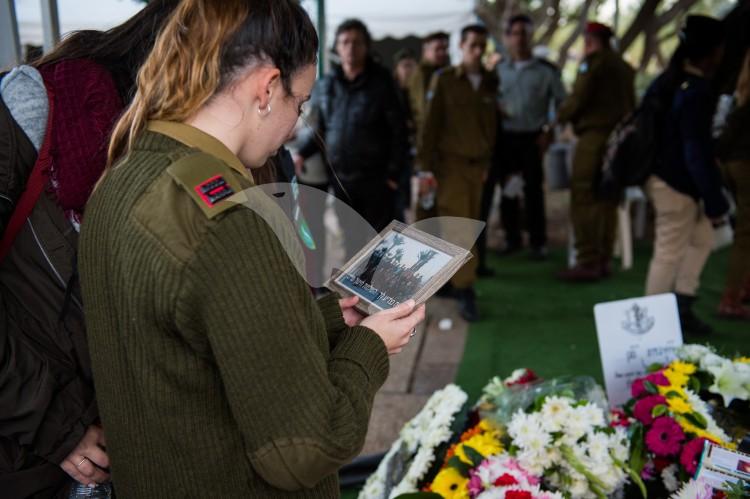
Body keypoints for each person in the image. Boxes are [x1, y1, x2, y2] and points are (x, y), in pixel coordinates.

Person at [79, 1, 425, 497]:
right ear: (266, 89)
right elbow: (304, 450)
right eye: (299, 104)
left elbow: (196, 344)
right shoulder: (230, 220)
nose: (292, 128)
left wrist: (330, 321)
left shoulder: (125, 175)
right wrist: (370, 345)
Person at [0, 1, 178, 497]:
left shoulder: (193, 151)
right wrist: (57, 425)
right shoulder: (37, 105)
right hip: (26, 454)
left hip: (113, 446)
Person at [294, 19, 408, 259]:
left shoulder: (382, 82)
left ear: (366, 46)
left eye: (357, 42)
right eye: (345, 42)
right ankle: (355, 292)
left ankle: (383, 292)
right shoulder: (328, 84)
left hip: (377, 180)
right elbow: (321, 130)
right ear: (337, 47)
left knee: (383, 243)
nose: (350, 47)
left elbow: (399, 131)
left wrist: (393, 176)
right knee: (351, 241)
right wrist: (302, 153)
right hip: (342, 179)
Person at [643, 15, 728, 335]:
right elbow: (695, 151)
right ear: (711, 52)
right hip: (676, 185)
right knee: (668, 253)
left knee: (701, 241)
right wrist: (715, 201)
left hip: (674, 181)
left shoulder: (670, 81)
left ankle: (681, 305)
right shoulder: (694, 91)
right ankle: (650, 325)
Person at [419, 24, 499, 322]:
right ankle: (465, 290)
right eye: (473, 45)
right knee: (460, 228)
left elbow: (491, 126)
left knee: (471, 225)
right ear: (461, 46)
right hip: (450, 165)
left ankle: (454, 281)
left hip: (479, 166)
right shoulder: (446, 80)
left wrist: (489, 164)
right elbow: (430, 125)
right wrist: (425, 169)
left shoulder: (490, 81)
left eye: (482, 45)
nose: (478, 51)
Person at [557, 21, 635, 282]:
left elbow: (578, 98)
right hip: (620, 141)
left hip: (595, 137)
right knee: (608, 199)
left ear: (590, 41)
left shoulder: (593, 63)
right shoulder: (623, 67)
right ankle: (602, 259)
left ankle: (587, 259)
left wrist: (558, 118)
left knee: (583, 197)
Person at [495, 14, 566, 260]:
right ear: (508, 38)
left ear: (531, 36)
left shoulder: (546, 71)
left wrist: (550, 131)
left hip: (533, 138)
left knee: (534, 191)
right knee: (507, 191)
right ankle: (511, 238)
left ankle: (538, 242)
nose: (520, 39)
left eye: (524, 33)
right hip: (505, 139)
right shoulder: (498, 70)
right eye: (515, 33)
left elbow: (562, 105)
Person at [718, 50, 750, 319]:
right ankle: (731, 297)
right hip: (743, 164)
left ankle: (739, 290)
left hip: (734, 164)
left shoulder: (740, 99)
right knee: (745, 234)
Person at [393, 48, 418, 222]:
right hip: (397, 153)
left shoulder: (418, 91)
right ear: (397, 69)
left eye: (411, 66)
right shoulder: (392, 92)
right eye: (405, 66)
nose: (408, 70)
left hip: (415, 150)